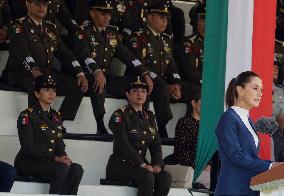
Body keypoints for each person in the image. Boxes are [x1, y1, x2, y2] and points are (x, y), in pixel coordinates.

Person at [1, 0, 88, 122]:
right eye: (37, 3)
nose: (41, 7)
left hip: (45, 72)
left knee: (78, 86)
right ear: (27, 4)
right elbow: (22, 52)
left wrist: (80, 72)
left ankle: (57, 122)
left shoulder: (51, 28)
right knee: (38, 84)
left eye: (45, 4)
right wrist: (34, 70)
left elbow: (65, 54)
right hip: (21, 73)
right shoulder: (18, 26)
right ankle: (36, 124)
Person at [73, 0, 151, 135]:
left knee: (139, 84)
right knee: (98, 84)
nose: (107, 17)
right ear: (92, 13)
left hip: (107, 76)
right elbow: (83, 55)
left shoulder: (112, 34)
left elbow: (127, 55)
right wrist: (96, 70)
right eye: (103, 13)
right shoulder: (82, 31)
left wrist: (144, 73)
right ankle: (100, 124)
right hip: (89, 76)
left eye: (109, 14)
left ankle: (139, 121)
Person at [215, 71, 282, 195]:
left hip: (249, 187)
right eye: (255, 88)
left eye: (261, 89)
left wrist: (274, 165)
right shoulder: (228, 118)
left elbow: (251, 158)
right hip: (233, 188)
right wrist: (271, 166)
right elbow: (236, 156)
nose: (260, 94)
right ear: (240, 90)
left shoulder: (248, 120)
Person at [14, 75, 84, 195]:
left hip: (48, 163)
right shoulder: (27, 115)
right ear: (37, 94)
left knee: (76, 169)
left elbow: (59, 144)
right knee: (61, 168)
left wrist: (64, 158)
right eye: (46, 90)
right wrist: (56, 158)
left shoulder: (56, 116)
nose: (51, 93)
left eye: (53, 90)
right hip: (29, 163)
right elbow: (28, 147)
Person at [106, 76, 172, 196]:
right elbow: (123, 144)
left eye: (143, 91)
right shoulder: (119, 115)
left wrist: (157, 164)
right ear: (128, 94)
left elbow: (156, 144)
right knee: (147, 176)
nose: (139, 94)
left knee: (165, 177)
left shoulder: (150, 116)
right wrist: (143, 165)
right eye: (135, 91)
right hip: (121, 165)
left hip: (141, 166)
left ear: (147, 95)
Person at [127, 1, 185, 137]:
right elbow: (142, 64)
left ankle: (171, 127)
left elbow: (172, 65)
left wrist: (175, 82)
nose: (165, 22)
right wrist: (165, 83)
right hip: (141, 77)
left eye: (166, 18)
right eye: (161, 17)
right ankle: (158, 126)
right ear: (150, 17)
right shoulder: (139, 36)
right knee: (159, 87)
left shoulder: (166, 39)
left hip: (160, 81)